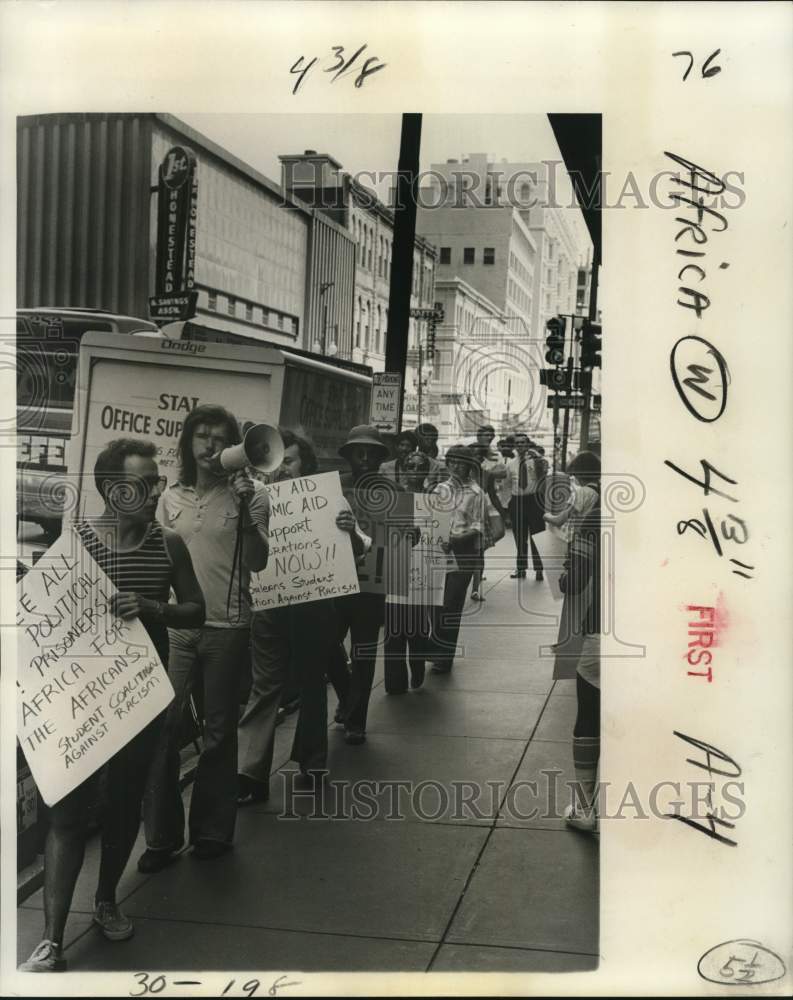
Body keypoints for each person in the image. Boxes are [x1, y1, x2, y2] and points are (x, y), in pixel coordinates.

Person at [20, 439, 205, 973]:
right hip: (78, 699)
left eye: (156, 482)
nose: (152, 492)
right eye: (140, 484)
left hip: (137, 697)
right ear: (109, 489)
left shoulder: (168, 544)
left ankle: (106, 901)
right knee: (68, 812)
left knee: (125, 803)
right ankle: (52, 939)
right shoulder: (74, 543)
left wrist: (152, 607)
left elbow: (197, 611)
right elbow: (38, 621)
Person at [138, 405, 270, 872]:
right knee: (164, 730)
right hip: (176, 627)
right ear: (188, 443)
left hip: (227, 627)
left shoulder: (250, 497)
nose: (210, 446)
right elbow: (154, 558)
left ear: (232, 447)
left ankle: (212, 831)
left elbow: (257, 562)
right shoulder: (169, 496)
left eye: (219, 438)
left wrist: (246, 507)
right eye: (201, 436)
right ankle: (162, 836)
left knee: (217, 734)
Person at [237, 430, 369, 801]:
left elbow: (359, 548)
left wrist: (349, 532)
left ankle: (312, 760)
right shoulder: (257, 497)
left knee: (312, 682)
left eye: (290, 461)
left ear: (305, 465)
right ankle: (250, 773)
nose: (283, 469)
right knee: (265, 687)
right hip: (269, 604)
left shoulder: (327, 499)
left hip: (313, 605)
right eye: (278, 462)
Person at [336, 424, 404, 744]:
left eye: (370, 451)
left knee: (363, 652)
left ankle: (355, 720)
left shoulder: (394, 493)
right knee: (326, 647)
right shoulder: (332, 486)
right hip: (333, 578)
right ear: (348, 454)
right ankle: (349, 698)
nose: (363, 457)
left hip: (373, 580)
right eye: (357, 451)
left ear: (379, 456)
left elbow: (409, 535)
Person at [558, 450, 601, 834]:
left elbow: (574, 579)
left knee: (590, 714)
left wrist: (565, 573)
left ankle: (586, 807)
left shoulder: (598, 516)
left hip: (605, 633)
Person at [428, 445, 486, 674]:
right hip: (439, 550)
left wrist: (458, 538)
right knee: (436, 604)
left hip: (463, 553)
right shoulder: (439, 489)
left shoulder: (476, 492)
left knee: (451, 604)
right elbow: (429, 517)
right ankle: (436, 648)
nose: (456, 466)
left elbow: (478, 526)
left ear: (469, 466)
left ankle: (444, 657)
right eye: (453, 461)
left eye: (462, 462)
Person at [383, 452, 433, 694]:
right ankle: (394, 681)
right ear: (402, 468)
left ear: (426, 471)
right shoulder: (392, 497)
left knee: (418, 624)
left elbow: (442, 534)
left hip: (423, 569)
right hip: (395, 564)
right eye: (409, 465)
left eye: (420, 466)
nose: (414, 470)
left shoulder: (435, 499)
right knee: (393, 626)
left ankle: (418, 662)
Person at [506, 433, 547, 581]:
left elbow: (544, 477)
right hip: (517, 501)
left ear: (528, 444)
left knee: (537, 535)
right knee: (520, 537)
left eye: (523, 442)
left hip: (534, 500)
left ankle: (539, 569)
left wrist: (537, 458)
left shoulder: (536, 461)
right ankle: (521, 568)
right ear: (514, 446)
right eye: (517, 443)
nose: (520, 445)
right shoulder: (510, 464)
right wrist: (508, 505)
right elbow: (508, 485)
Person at [415, 422, 447, 489]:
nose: (430, 442)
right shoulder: (411, 461)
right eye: (427, 439)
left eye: (433, 439)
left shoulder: (440, 466)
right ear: (418, 440)